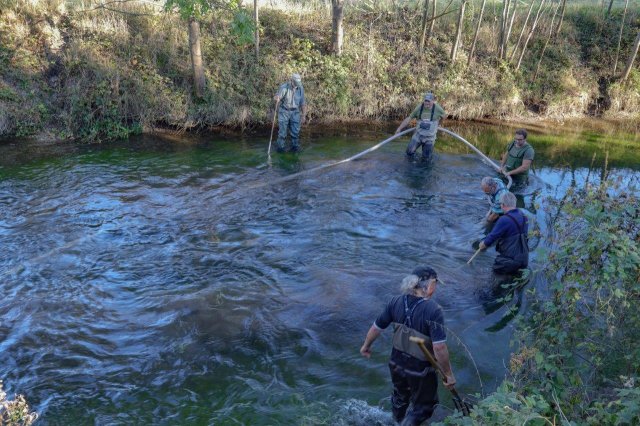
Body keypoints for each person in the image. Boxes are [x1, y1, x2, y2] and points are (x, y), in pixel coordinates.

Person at [360, 267, 456, 425]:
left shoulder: (395, 301)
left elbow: (376, 327)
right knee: (424, 408)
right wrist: (448, 374)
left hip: (396, 363)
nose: (435, 287)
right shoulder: (433, 310)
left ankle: (397, 420)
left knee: (400, 398)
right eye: (435, 282)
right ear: (425, 285)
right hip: (421, 369)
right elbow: (439, 348)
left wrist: (366, 346)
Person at [479, 192, 529, 274]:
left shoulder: (504, 219)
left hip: (509, 262)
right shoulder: (524, 216)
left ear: (503, 205)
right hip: (524, 260)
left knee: (493, 283)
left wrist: (482, 245)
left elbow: (490, 239)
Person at [395, 92, 446, 161]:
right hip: (418, 135)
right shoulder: (419, 107)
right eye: (425, 100)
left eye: (429, 101)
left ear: (433, 101)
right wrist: (399, 129)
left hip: (429, 138)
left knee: (426, 159)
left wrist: (439, 124)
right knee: (409, 153)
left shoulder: (438, 109)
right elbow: (409, 118)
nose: (427, 103)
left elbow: (444, 116)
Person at [273, 73, 307, 153]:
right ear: (291, 81)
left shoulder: (300, 88)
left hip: (295, 112)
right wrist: (277, 98)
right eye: (295, 83)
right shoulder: (284, 87)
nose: (296, 85)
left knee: (295, 133)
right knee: (282, 133)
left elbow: (303, 103)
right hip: (284, 111)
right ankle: (280, 149)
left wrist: (304, 116)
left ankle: (294, 149)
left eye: (298, 84)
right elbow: (276, 97)